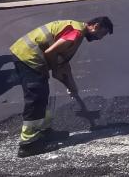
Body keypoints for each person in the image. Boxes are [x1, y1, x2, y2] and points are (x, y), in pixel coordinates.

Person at [8, 16, 114, 156]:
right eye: (102, 34)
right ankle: (28, 144)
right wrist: (56, 70)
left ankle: (44, 131)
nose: (100, 38)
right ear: (95, 26)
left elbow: (63, 63)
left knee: (42, 95)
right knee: (36, 97)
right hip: (28, 56)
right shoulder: (76, 33)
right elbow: (51, 52)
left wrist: (71, 86)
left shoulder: (77, 31)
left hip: (31, 57)